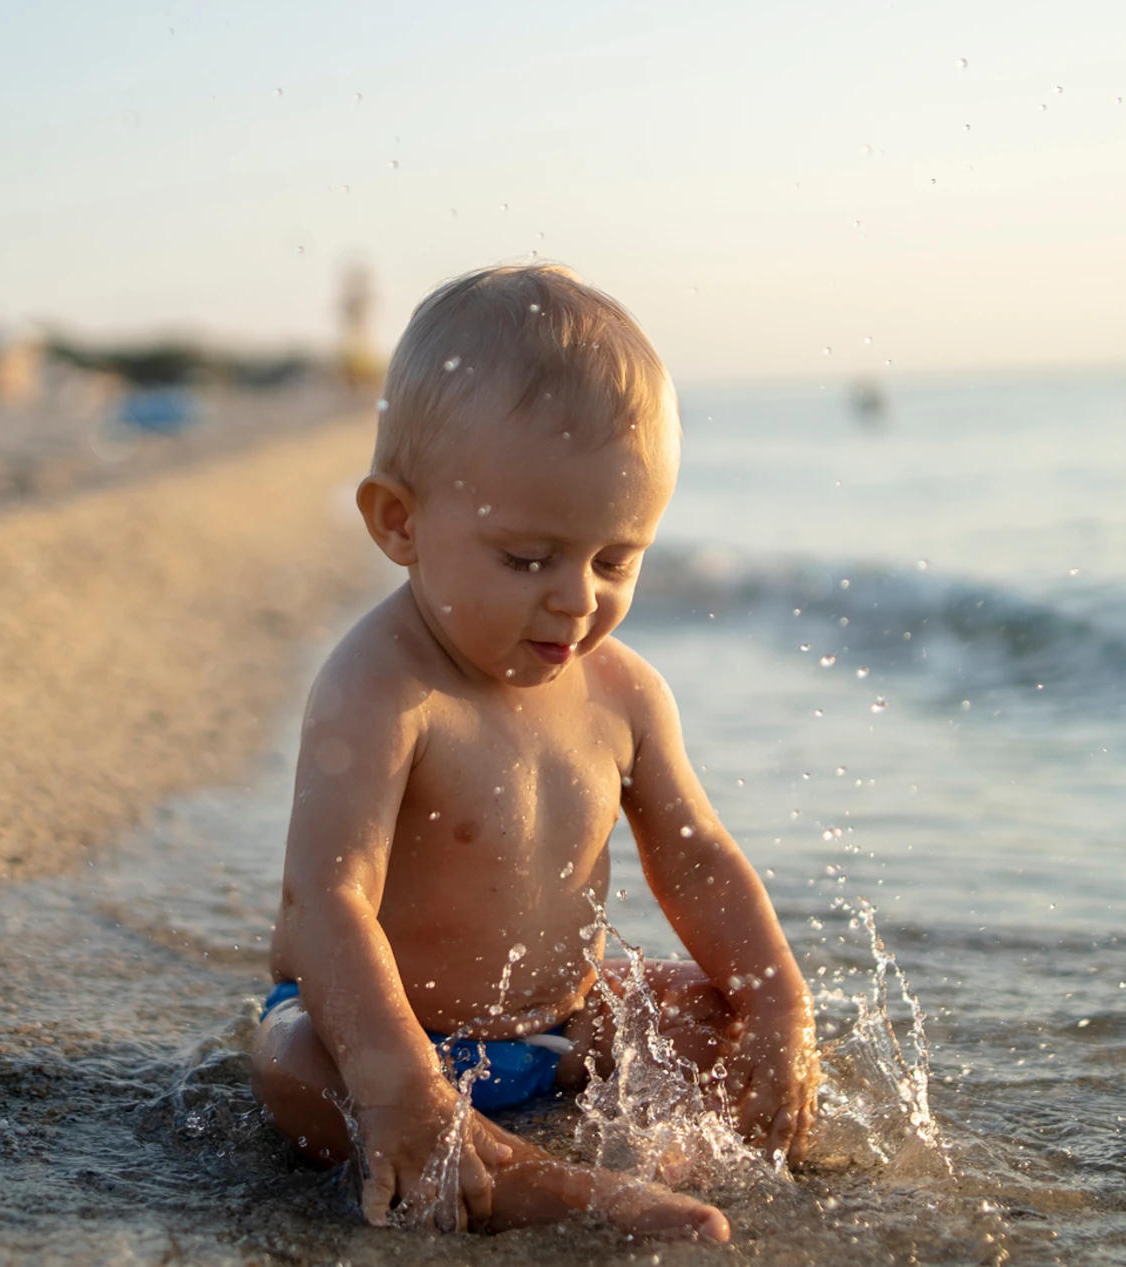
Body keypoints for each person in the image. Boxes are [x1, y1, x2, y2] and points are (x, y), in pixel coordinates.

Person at [250, 265, 818, 1242]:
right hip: (381, 1024)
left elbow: (695, 855)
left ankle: (696, 1147)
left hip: (558, 1028)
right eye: (527, 559)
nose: (575, 598)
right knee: (290, 1063)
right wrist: (398, 1084)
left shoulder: (622, 692)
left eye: (614, 559)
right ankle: (510, 1171)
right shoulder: (379, 688)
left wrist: (777, 1000)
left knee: (719, 1013)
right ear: (400, 523)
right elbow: (325, 905)